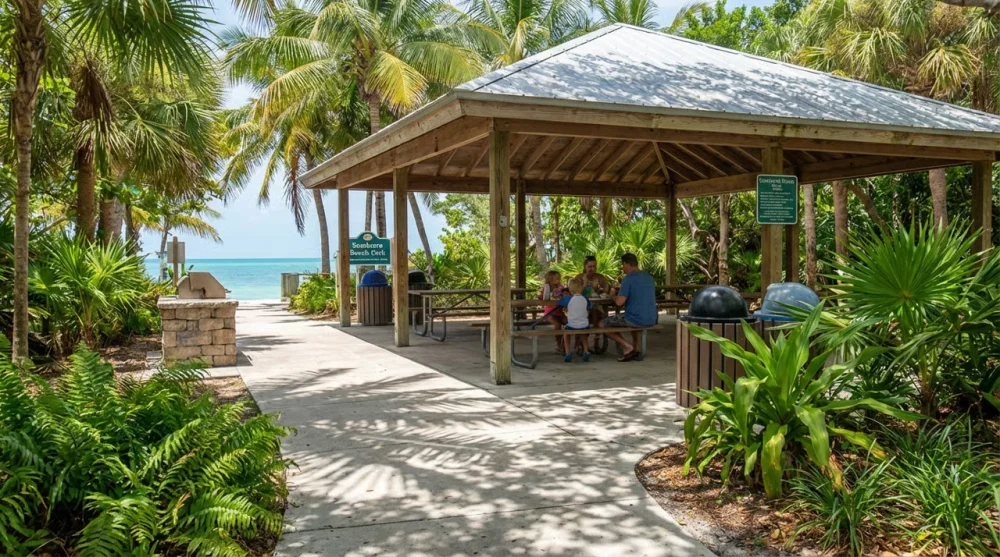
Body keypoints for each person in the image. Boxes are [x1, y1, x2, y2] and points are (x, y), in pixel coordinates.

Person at [603, 253, 658, 362]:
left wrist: (612, 295)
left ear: (626, 264)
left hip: (635, 318)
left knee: (601, 324)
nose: (622, 268)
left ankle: (627, 346)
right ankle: (637, 349)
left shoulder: (628, 279)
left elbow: (619, 302)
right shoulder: (649, 278)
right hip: (652, 318)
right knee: (633, 318)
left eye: (622, 265)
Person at [573, 255, 612, 353]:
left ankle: (596, 342)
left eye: (594, 266)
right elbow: (574, 293)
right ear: (585, 266)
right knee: (584, 316)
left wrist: (599, 289)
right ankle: (580, 344)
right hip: (582, 307)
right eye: (590, 266)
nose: (592, 269)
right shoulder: (579, 278)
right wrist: (584, 285)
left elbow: (606, 292)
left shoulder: (601, 278)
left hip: (597, 305)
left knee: (596, 314)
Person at [557, 277, 592, 363]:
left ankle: (568, 353)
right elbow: (590, 306)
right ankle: (586, 351)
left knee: (566, 333)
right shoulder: (585, 298)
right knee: (583, 334)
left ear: (570, 289)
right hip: (584, 324)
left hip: (572, 325)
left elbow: (559, 303)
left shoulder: (568, 298)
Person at [539, 270, 567, 352]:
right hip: (550, 312)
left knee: (569, 323)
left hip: (560, 311)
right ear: (550, 279)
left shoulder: (561, 288)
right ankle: (559, 343)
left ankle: (564, 343)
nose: (559, 280)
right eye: (557, 278)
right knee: (557, 324)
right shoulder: (547, 288)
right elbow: (541, 297)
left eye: (559, 278)